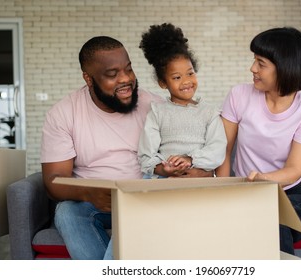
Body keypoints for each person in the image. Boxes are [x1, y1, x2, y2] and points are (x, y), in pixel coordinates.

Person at [40, 36, 211, 260]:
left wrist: (197, 170)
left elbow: (188, 154)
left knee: (140, 205)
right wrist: (88, 192)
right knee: (66, 213)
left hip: (145, 197)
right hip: (96, 202)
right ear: (88, 79)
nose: (125, 79)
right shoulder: (63, 114)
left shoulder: (156, 107)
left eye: (128, 69)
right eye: (112, 75)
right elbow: (54, 181)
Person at [217, 27, 301, 255]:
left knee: (273, 220)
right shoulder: (239, 95)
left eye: (261, 63)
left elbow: (295, 169)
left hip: (293, 193)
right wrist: (225, 193)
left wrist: (262, 180)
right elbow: (223, 151)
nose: (252, 68)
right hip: (245, 192)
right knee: (260, 219)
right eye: (254, 60)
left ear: (284, 68)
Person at [138, 23, 227, 178]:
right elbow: (146, 155)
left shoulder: (209, 112)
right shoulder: (157, 113)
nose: (186, 81)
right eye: (177, 77)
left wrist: (190, 159)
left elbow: (217, 149)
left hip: (200, 179)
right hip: (167, 181)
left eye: (190, 74)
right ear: (163, 83)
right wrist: (163, 169)